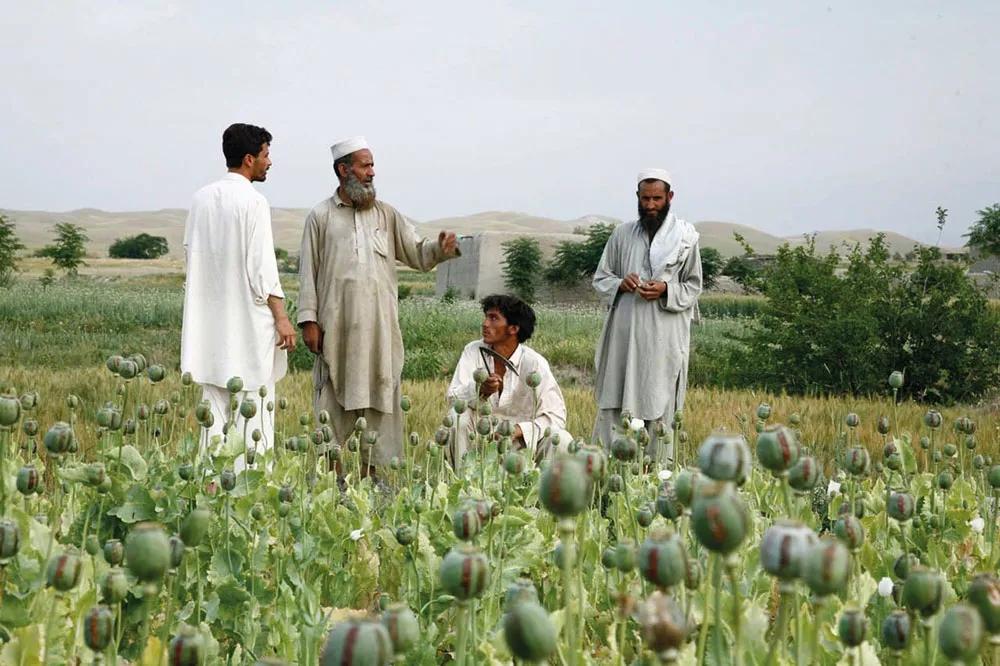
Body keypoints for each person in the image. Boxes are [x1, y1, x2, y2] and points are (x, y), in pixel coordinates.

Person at [297, 136, 459, 472]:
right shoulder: (321, 216)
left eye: (372, 165)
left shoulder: (387, 215)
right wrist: (308, 321)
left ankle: (380, 489)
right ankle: (334, 489)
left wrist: (441, 249)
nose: (372, 172)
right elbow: (308, 272)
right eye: (365, 165)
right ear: (344, 170)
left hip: (380, 335)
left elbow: (418, 252)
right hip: (336, 332)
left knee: (381, 409)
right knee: (332, 407)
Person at [180, 123, 296, 468]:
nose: (269, 162)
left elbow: (190, 253)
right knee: (254, 419)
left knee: (212, 421)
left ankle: (208, 487)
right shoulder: (254, 202)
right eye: (265, 155)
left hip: (209, 327)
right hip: (247, 325)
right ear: (249, 159)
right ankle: (252, 489)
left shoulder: (200, 199)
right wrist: (282, 318)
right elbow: (262, 269)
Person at [591, 169, 702, 463]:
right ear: (637, 198)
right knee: (616, 398)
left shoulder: (686, 238)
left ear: (669, 198)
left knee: (659, 398)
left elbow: (693, 286)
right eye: (645, 199)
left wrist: (666, 288)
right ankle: (607, 474)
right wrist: (620, 284)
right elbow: (601, 278)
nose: (650, 205)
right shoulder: (621, 234)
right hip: (624, 337)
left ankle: (655, 475)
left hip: (663, 337)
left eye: (656, 199)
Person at [446, 294, 571, 464]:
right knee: (456, 418)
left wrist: (519, 430)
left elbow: (556, 417)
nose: (485, 324)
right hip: (478, 443)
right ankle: (464, 483)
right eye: (486, 317)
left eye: (493, 318)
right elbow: (453, 398)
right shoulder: (473, 351)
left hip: (521, 447)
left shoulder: (535, 364)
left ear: (513, 328)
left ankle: (542, 489)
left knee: (562, 440)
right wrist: (479, 390)